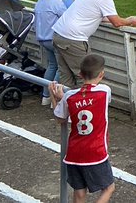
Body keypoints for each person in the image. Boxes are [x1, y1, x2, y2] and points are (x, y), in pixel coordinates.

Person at [50, 0, 136, 88]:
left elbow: (103, 17)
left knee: (65, 75)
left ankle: (66, 103)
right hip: (73, 39)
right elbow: (116, 22)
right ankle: (84, 104)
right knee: (86, 75)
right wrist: (130, 21)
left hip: (58, 34)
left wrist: (126, 20)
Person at [50, 54, 116, 203]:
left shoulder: (69, 96)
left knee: (79, 193)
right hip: (95, 152)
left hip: (74, 153)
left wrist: (56, 98)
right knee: (108, 188)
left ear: (80, 74)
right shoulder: (105, 91)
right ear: (101, 74)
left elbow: (60, 119)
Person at [34, 0, 67, 103]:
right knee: (60, 67)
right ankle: (54, 97)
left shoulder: (40, 1)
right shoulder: (56, 2)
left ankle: (45, 96)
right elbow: (66, 17)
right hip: (53, 39)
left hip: (42, 38)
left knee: (52, 66)